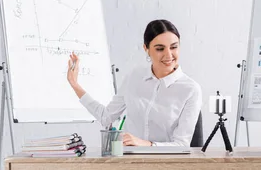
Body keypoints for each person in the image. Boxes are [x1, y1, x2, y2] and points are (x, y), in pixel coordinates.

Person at [66, 19, 203, 147]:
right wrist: (74, 84)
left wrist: (145, 144)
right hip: (130, 161)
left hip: (164, 163)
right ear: (146, 49)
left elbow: (181, 145)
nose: (168, 55)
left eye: (174, 47)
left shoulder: (190, 89)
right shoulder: (134, 77)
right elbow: (106, 117)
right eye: (160, 49)